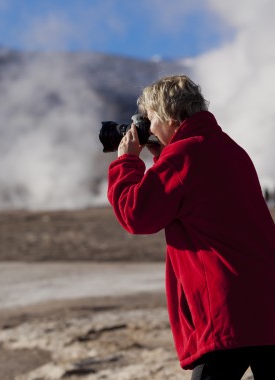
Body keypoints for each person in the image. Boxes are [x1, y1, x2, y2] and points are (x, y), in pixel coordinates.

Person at [107, 75, 275, 380]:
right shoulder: (229, 148)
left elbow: (137, 215)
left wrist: (127, 163)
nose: (147, 127)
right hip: (267, 302)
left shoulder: (182, 157)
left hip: (228, 308)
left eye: (149, 118)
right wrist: (161, 157)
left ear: (169, 116)